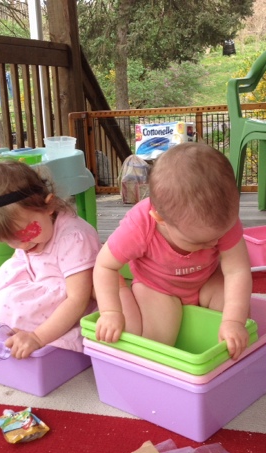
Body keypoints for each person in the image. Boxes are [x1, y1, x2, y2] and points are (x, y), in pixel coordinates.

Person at [93, 143, 253, 360]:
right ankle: (125, 293)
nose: (214, 243)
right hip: (157, 286)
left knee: (239, 319)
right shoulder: (139, 226)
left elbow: (237, 270)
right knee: (156, 345)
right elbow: (105, 266)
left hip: (206, 280)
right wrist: (110, 312)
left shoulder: (221, 220)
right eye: (199, 241)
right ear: (161, 219)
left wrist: (233, 321)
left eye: (219, 235)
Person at [0, 161, 101, 359]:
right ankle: (10, 342)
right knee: (1, 295)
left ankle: (28, 341)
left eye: (26, 233)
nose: (22, 246)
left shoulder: (73, 238)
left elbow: (77, 299)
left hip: (68, 310)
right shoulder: (29, 238)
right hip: (41, 289)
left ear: (49, 205)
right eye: (8, 240)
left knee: (14, 303)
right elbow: (17, 262)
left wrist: (37, 337)